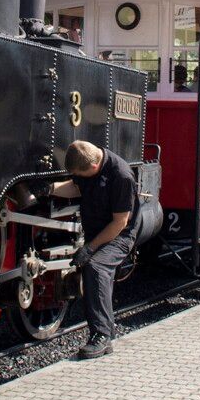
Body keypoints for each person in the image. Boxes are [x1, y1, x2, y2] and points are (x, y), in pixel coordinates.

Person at [52, 140, 139, 360]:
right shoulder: (89, 161)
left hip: (120, 235)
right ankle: (106, 331)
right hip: (97, 231)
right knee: (95, 269)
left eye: (79, 173)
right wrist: (50, 188)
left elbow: (120, 222)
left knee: (96, 267)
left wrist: (90, 248)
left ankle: (101, 337)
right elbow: (76, 187)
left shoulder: (121, 176)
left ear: (92, 166)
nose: (77, 177)